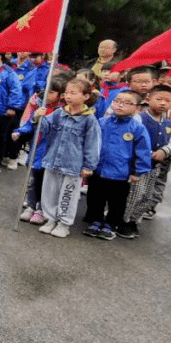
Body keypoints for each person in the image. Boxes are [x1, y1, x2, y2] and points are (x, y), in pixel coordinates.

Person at [35, 77, 101, 238]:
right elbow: (45, 129)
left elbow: (93, 144)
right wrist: (38, 117)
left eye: (73, 93)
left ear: (85, 96)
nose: (68, 96)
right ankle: (50, 219)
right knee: (50, 191)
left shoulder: (89, 119)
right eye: (66, 93)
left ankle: (63, 223)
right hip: (53, 160)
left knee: (68, 195)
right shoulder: (59, 113)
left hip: (73, 165)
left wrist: (88, 166)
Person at [82, 89, 152, 240]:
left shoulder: (137, 127)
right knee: (95, 198)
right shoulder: (102, 122)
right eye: (117, 101)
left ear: (137, 108)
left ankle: (111, 225)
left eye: (127, 103)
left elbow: (143, 151)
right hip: (98, 170)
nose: (121, 105)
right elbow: (90, 143)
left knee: (117, 202)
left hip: (121, 174)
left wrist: (137, 172)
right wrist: (86, 164)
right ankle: (96, 221)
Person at [120, 83, 171, 237]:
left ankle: (134, 220)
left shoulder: (169, 124)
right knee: (135, 194)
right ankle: (124, 221)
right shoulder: (139, 118)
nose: (162, 103)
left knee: (147, 195)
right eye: (159, 99)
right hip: (137, 165)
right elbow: (130, 139)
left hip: (155, 166)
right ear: (148, 99)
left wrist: (165, 151)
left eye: (167, 100)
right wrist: (148, 153)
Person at [14, 77, 68, 225]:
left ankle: (42, 209)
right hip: (37, 149)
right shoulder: (39, 106)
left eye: (52, 92)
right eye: (46, 91)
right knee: (34, 179)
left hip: (51, 151)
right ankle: (31, 205)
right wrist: (21, 130)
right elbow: (30, 125)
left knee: (47, 182)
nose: (47, 95)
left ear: (60, 95)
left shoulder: (62, 111)